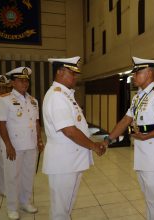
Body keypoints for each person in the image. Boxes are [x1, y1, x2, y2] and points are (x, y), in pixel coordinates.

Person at [103, 57, 154, 220]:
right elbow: (125, 120)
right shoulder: (138, 97)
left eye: (137, 73)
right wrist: (108, 140)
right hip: (142, 154)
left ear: (149, 72)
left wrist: (147, 136)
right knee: (149, 198)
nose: (134, 76)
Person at [42, 56, 106, 220]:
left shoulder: (66, 95)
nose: (75, 77)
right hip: (64, 162)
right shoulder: (57, 96)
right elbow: (69, 131)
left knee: (66, 206)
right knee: (60, 209)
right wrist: (93, 145)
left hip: (70, 159)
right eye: (72, 73)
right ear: (60, 72)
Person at [0, 67, 44, 220]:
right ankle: (12, 207)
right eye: (21, 80)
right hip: (14, 146)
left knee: (28, 175)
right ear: (13, 82)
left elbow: (36, 122)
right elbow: (1, 123)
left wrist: (39, 139)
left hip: (30, 145)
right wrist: (8, 145)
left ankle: (25, 202)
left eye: (27, 80)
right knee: (12, 176)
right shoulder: (5, 99)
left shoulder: (33, 100)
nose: (25, 83)